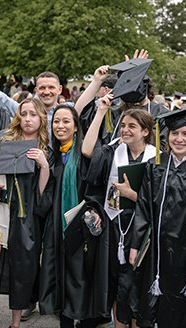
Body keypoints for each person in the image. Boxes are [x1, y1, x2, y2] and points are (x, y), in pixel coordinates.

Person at [128, 105, 186, 328]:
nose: (179, 139)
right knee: (158, 308)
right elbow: (144, 208)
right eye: (175, 133)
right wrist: (136, 245)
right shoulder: (155, 166)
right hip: (158, 252)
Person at [82, 98, 156, 328]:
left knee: (137, 285)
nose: (125, 130)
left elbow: (163, 202)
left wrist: (133, 195)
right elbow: (86, 151)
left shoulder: (157, 158)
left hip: (144, 231)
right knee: (116, 283)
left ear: (145, 131)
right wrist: (100, 111)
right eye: (123, 125)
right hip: (115, 226)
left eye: (132, 126)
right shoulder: (114, 151)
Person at [0, 98, 51, 328]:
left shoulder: (46, 147)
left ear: (41, 119)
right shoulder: (1, 140)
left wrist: (44, 165)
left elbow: (43, 193)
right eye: (24, 113)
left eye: (33, 114)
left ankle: (16, 323)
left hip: (25, 216)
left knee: (22, 270)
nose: (28, 119)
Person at [39, 103, 112, 327]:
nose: (60, 126)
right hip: (56, 226)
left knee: (82, 275)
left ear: (75, 126)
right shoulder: (52, 155)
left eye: (66, 121)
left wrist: (100, 109)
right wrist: (43, 167)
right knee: (59, 274)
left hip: (80, 225)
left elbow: (97, 187)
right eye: (56, 122)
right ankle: (66, 319)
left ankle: (88, 320)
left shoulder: (83, 154)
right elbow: (44, 196)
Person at [0, 41, 62, 142]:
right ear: (36, 90)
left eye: (51, 87)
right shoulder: (23, 111)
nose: (46, 92)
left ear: (60, 89)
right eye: (42, 88)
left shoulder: (69, 112)